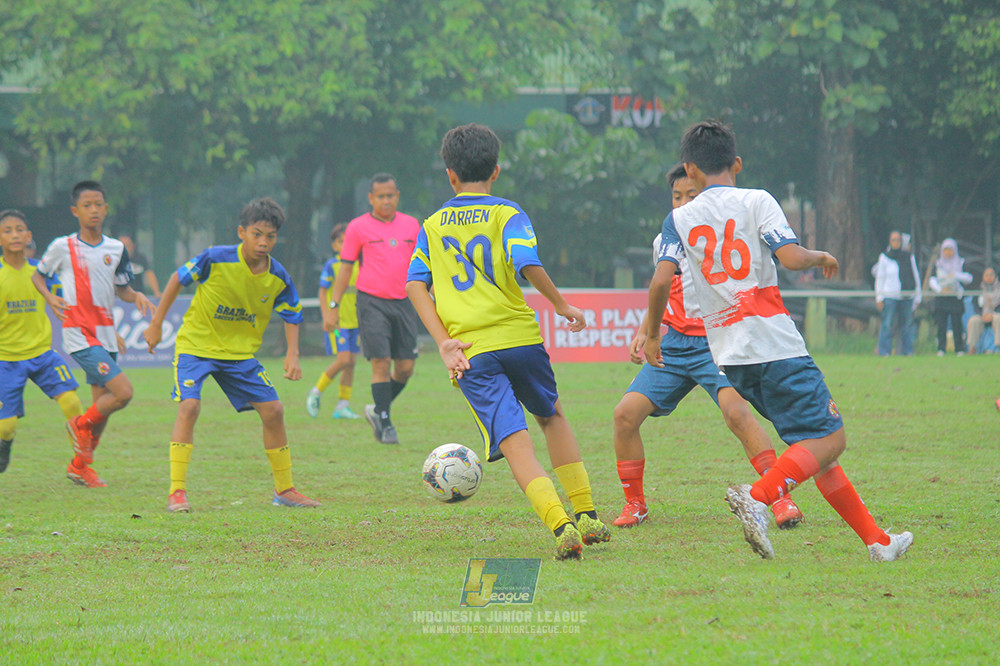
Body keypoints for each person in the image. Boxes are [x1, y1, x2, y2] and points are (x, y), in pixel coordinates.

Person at [646, 120, 912, 562]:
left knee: (814, 449)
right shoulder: (757, 200)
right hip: (773, 344)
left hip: (730, 355)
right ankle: (759, 496)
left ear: (689, 170)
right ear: (736, 164)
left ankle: (878, 542)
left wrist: (653, 333)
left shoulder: (677, 219)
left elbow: (660, 281)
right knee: (831, 439)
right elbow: (790, 257)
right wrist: (819, 255)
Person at [407, 123, 611, 561]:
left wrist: (443, 342)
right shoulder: (508, 213)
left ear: (450, 175)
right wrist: (560, 304)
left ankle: (560, 526)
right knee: (552, 417)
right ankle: (587, 514)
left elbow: (415, 285)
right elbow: (525, 261)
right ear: (495, 171)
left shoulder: (433, 225)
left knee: (516, 443)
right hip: (521, 338)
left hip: (472, 352)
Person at [612, 164, 803, 530]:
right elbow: (663, 289)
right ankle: (635, 504)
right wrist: (645, 332)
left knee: (737, 414)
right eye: (676, 197)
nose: (683, 203)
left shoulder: (718, 235)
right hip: (673, 346)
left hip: (716, 342)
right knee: (624, 415)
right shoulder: (665, 239)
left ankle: (780, 497)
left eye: (691, 195)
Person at [144, 197, 319, 512]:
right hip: (196, 347)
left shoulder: (278, 275)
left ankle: (285, 490)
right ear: (242, 232)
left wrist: (292, 354)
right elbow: (176, 279)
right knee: (189, 406)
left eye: (270, 237)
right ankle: (177, 492)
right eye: (257, 234)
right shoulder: (215, 258)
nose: (263, 243)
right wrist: (156, 324)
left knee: (274, 411)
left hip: (239, 355)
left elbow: (293, 314)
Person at [32, 181, 154, 481]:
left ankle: (79, 466)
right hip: (79, 332)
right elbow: (38, 276)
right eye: (87, 205)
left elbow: (122, 290)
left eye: (98, 204)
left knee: (103, 406)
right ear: (75, 211)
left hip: (106, 334)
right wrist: (50, 298)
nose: (94, 210)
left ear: (106, 208)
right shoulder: (63, 246)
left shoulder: (116, 249)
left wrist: (137, 295)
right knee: (123, 393)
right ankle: (79, 424)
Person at [327, 173, 421, 444]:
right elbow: (346, 269)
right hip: (371, 302)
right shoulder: (358, 227)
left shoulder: (412, 225)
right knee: (381, 362)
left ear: (397, 196)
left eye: (390, 195)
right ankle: (386, 425)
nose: (386, 200)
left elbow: (421, 265)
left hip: (403, 301)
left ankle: (377, 410)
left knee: (406, 367)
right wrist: (333, 305)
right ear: (371, 198)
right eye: (380, 196)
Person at [0, 210, 92, 483]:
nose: (15, 235)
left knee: (72, 402)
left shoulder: (40, 273)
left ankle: (81, 466)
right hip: (6, 360)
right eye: (7, 231)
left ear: (29, 236)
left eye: (20, 229)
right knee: (6, 427)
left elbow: (66, 297)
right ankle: (5, 444)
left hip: (42, 354)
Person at [306, 224, 361, 419]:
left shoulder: (360, 265)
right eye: (340, 241)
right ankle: (316, 392)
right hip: (339, 325)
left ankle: (342, 406)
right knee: (343, 359)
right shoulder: (332, 266)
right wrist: (326, 315)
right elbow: (322, 292)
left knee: (351, 362)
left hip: (356, 323)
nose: (345, 245)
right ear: (334, 245)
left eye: (348, 241)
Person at [871, 230, 921, 356]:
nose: (896, 242)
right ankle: (884, 351)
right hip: (890, 296)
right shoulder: (885, 257)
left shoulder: (909, 257)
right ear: (890, 242)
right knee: (887, 324)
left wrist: (917, 296)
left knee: (907, 325)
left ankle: (907, 351)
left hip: (907, 296)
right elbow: (880, 278)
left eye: (898, 240)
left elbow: (915, 276)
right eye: (893, 240)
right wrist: (879, 298)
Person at [926, 239, 973, 356]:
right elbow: (932, 280)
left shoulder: (961, 263)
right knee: (941, 324)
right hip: (942, 298)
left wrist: (956, 275)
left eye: (950, 250)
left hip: (955, 298)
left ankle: (959, 349)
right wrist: (940, 290)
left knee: (957, 324)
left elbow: (969, 278)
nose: (948, 252)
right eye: (945, 250)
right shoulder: (938, 264)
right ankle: (941, 349)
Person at [966, 267, 1000, 354]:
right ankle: (972, 347)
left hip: (996, 315)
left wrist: (992, 314)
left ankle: (998, 347)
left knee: (998, 319)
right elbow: (975, 304)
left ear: (995, 276)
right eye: (986, 275)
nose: (989, 277)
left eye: (991, 275)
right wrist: (982, 315)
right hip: (983, 316)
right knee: (973, 320)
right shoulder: (979, 289)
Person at [118, 233, 162, 298]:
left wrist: (156, 292)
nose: (125, 249)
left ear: (133, 246)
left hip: (139, 296)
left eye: (128, 245)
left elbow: (149, 274)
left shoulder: (141, 259)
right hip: (119, 297)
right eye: (122, 246)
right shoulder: (115, 259)